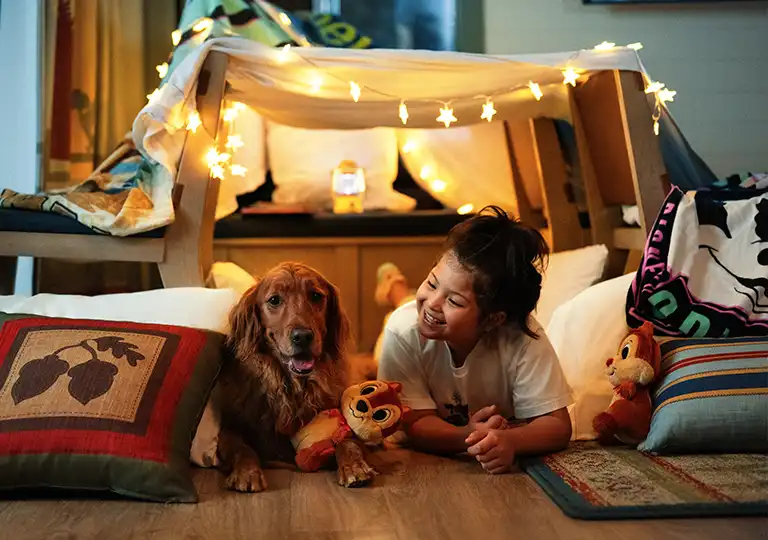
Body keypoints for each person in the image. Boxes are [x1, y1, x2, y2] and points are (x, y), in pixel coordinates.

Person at [377, 205, 573, 474]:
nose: (432, 303)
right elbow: (415, 423)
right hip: (439, 453)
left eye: (454, 301)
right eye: (432, 283)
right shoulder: (403, 330)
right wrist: (468, 434)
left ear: (493, 319)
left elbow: (557, 425)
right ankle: (397, 291)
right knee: (403, 310)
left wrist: (510, 441)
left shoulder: (523, 338)